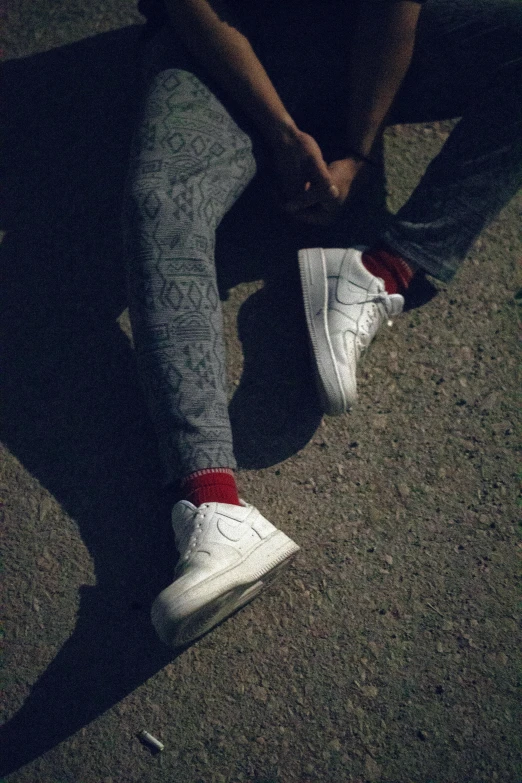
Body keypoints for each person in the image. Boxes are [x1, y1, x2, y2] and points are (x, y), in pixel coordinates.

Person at [122, 0, 522, 648]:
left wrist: (356, 153)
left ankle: (381, 272)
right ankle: (215, 510)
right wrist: (281, 132)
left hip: (357, 34)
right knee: (160, 204)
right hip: (219, 49)